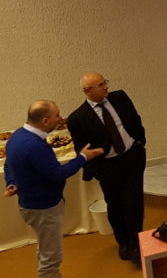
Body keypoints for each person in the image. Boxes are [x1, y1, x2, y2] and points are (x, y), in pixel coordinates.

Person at [4, 100, 104, 278]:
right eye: (56, 115)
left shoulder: (17, 136)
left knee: (45, 248)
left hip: (30, 205)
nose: (60, 119)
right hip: (44, 209)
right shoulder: (35, 146)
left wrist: (11, 182)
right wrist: (83, 157)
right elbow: (58, 174)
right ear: (45, 121)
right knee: (51, 257)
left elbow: (9, 165)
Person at [65, 72, 147, 263]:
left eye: (105, 82)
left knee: (134, 203)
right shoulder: (78, 117)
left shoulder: (120, 97)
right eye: (101, 85)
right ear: (87, 91)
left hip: (132, 157)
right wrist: (97, 170)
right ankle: (124, 242)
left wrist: (140, 142)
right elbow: (81, 148)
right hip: (108, 167)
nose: (106, 87)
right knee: (115, 205)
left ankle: (136, 244)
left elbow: (135, 120)